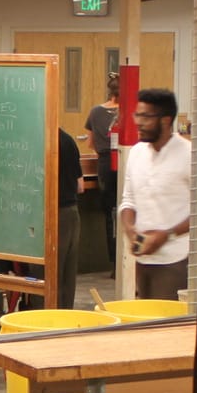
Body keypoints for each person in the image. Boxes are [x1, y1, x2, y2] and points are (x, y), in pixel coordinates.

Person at [119, 88, 197, 303]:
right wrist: (130, 229)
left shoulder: (192, 155)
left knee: (170, 327)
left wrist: (167, 235)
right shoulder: (136, 153)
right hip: (144, 261)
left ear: (165, 120)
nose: (138, 122)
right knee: (147, 326)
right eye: (137, 115)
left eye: (146, 116)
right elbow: (128, 200)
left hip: (178, 260)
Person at [84, 75, 121, 262]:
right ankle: (126, 263)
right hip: (126, 164)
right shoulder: (130, 112)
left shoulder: (94, 112)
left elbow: (90, 143)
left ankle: (113, 262)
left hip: (105, 165)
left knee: (110, 214)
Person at [54, 127, 82, 309]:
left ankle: (47, 326)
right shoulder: (68, 140)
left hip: (53, 216)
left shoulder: (40, 142)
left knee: (48, 277)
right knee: (67, 277)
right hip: (71, 213)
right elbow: (80, 186)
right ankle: (66, 322)